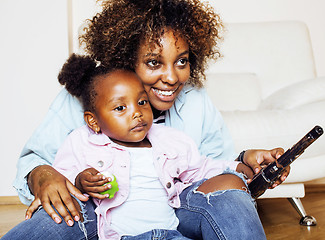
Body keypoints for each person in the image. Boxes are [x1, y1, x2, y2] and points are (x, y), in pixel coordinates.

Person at [8, 0, 288, 239]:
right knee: (59, 214)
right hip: (101, 212)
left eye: (182, 61)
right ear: (126, 58)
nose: (172, 77)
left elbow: (210, 169)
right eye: (154, 62)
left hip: (174, 207)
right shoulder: (86, 97)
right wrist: (42, 175)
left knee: (232, 195)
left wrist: (244, 164)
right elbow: (42, 162)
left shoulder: (194, 101)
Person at [52, 53, 258, 239]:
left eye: (142, 102)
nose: (137, 113)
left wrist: (236, 167)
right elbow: (61, 178)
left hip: (172, 234)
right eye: (121, 107)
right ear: (93, 121)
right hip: (122, 237)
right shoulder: (82, 142)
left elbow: (199, 168)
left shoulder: (169, 139)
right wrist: (80, 181)